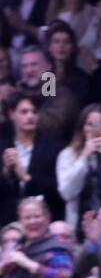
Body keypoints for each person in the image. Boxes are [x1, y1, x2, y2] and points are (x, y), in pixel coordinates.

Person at [1, 91, 64, 224]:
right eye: (24, 112)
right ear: (12, 114)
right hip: (8, 222)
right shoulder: (3, 147)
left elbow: (58, 188)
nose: (30, 116)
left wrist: (27, 178)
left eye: (34, 112)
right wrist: (6, 172)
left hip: (43, 219)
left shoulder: (52, 147)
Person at [56, 107, 101, 230]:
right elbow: (66, 193)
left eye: (99, 124)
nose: (93, 129)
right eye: (90, 124)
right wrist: (84, 157)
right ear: (82, 127)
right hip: (77, 226)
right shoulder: (67, 155)